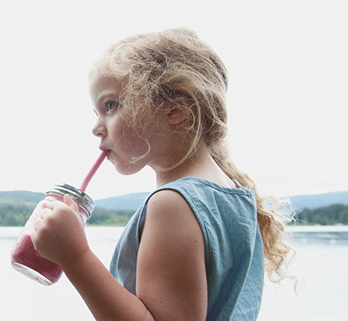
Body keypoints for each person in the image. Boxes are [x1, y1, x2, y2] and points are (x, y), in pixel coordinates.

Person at [31, 28, 294, 320]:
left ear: (176, 110)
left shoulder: (172, 205)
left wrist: (75, 256)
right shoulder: (236, 196)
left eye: (111, 105)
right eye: (97, 112)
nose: (96, 127)